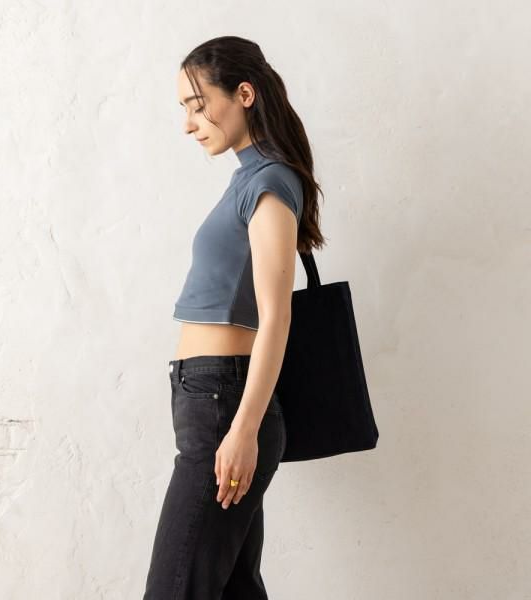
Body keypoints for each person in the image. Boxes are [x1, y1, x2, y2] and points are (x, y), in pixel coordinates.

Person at [143, 35, 326, 600]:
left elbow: (277, 316)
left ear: (244, 94)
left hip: (225, 402)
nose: (189, 124)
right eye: (184, 109)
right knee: (232, 590)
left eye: (198, 105)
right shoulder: (248, 178)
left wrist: (243, 429)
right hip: (210, 397)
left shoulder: (269, 182)